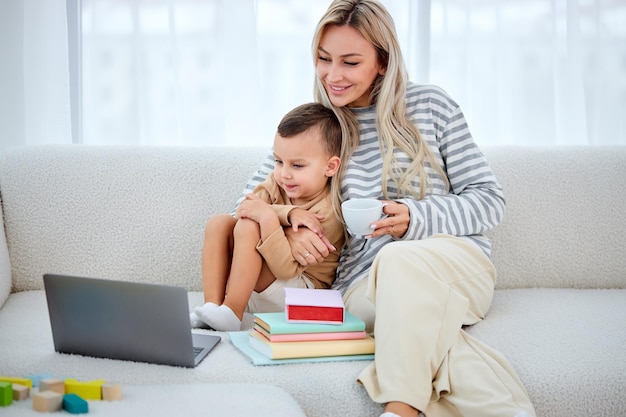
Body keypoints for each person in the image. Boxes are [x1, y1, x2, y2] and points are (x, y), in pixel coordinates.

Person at [237, 1, 536, 416]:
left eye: (350, 61)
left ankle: (402, 407)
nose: (332, 75)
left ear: (382, 61)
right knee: (432, 329)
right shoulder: (324, 126)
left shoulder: (431, 107)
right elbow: (247, 204)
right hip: (364, 290)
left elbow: (489, 200)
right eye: (323, 59)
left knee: (399, 258)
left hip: (454, 266)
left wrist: (417, 217)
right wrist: (292, 224)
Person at [191, 102, 345, 332]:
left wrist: (268, 217)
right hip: (252, 285)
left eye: (298, 165)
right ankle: (213, 306)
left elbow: (286, 270)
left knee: (248, 228)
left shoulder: (326, 212)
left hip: (297, 294)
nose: (285, 173)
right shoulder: (279, 183)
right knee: (220, 222)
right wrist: (288, 213)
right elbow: (247, 209)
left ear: (330, 167)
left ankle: (233, 312)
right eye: (278, 161)